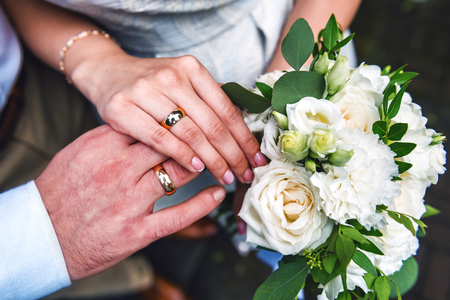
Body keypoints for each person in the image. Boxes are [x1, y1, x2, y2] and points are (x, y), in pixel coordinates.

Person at [0, 7, 224, 299]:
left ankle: (157, 209)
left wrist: (95, 63)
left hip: (40, 75)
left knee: (128, 169)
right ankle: (138, 280)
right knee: (81, 257)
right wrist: (40, 238)